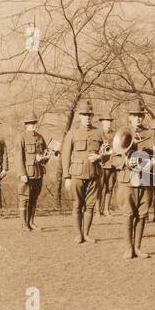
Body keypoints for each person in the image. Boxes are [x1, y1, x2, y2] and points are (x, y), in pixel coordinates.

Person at [106, 100, 154, 259]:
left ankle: (138, 247)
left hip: (145, 179)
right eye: (134, 115)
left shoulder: (150, 134)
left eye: (140, 115)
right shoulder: (122, 133)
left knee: (142, 214)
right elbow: (112, 159)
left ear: (143, 117)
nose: (138, 118)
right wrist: (125, 162)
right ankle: (128, 248)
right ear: (130, 117)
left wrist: (153, 161)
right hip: (127, 180)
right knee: (128, 214)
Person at [60, 101, 103, 244]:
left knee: (90, 206)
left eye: (89, 115)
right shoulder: (72, 133)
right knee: (77, 205)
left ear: (92, 116)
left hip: (95, 174)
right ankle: (79, 234)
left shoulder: (99, 133)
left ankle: (86, 234)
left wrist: (100, 157)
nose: (87, 117)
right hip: (77, 174)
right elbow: (65, 156)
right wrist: (66, 177)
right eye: (84, 115)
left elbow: (108, 152)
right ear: (80, 116)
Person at [16, 115, 49, 231]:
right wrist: (22, 173)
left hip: (38, 172)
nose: (33, 125)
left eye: (35, 123)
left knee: (34, 198)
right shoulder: (21, 137)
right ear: (26, 125)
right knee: (24, 198)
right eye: (31, 123)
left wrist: (44, 158)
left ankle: (31, 222)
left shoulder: (40, 137)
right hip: (27, 173)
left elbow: (46, 153)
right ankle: (24, 224)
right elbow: (18, 157)